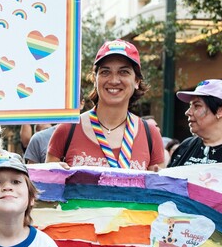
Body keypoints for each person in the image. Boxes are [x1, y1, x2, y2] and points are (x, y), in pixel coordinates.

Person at [46, 39, 165, 171]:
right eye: (105, 72)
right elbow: (47, 188)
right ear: (95, 79)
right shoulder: (68, 128)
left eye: (123, 72)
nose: (114, 80)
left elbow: (158, 189)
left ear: (137, 81)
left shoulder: (150, 134)